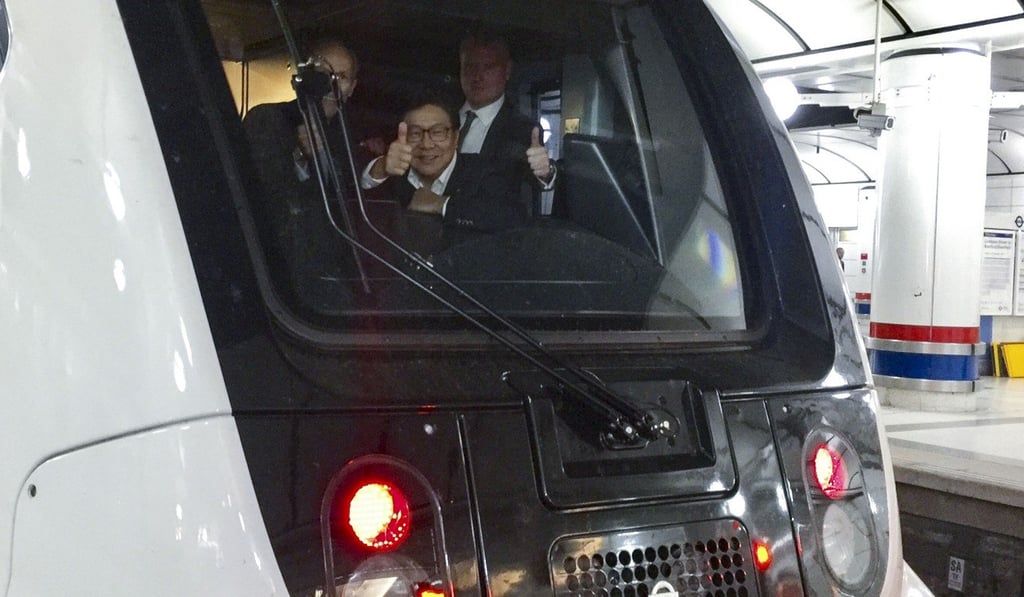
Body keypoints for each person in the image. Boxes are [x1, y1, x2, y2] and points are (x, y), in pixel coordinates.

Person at [242, 39, 368, 309]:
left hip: (337, 281)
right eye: (322, 75)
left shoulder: (351, 137)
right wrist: (299, 159)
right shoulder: (267, 120)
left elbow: (351, 210)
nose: (331, 84)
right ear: (302, 79)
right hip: (280, 280)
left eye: (342, 77)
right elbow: (258, 198)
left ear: (352, 88)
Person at [361, 95, 529, 238]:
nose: (426, 144)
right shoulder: (392, 174)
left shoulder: (485, 171)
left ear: (456, 137)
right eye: (415, 134)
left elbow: (514, 220)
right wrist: (382, 166)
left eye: (438, 132)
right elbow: (350, 197)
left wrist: (443, 205)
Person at [456, 32, 554, 209]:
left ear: (507, 71)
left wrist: (545, 172)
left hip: (493, 233)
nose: (478, 77)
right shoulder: (438, 116)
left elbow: (532, 177)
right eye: (470, 67)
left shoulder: (524, 130)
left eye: (488, 67)